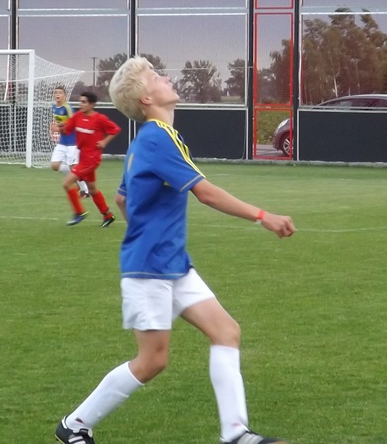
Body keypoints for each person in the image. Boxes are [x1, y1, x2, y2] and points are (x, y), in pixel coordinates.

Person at [54, 56, 294, 444]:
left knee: (226, 331)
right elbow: (206, 193)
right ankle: (74, 425)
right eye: (155, 76)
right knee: (152, 360)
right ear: (146, 98)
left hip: (173, 264)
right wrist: (263, 216)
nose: (166, 77)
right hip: (149, 267)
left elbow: (121, 198)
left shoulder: (151, 139)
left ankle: (236, 434)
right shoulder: (157, 138)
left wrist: (149, 230)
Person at [58, 91, 121, 227]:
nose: (80, 104)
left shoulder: (100, 119)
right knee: (92, 188)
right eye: (80, 101)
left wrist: (104, 142)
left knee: (66, 183)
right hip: (82, 157)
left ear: (92, 104)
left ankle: (79, 212)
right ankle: (107, 215)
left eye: (84, 102)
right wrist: (60, 128)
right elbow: (67, 130)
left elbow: (115, 129)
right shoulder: (77, 116)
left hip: (92, 159)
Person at [50, 86, 89, 197]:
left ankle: (85, 190)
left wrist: (58, 128)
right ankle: (75, 176)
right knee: (54, 165)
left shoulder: (67, 108)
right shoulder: (54, 108)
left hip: (72, 142)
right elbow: (60, 123)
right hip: (62, 142)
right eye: (56, 93)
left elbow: (73, 122)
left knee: (73, 167)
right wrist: (56, 127)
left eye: (60, 93)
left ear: (65, 95)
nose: (57, 94)